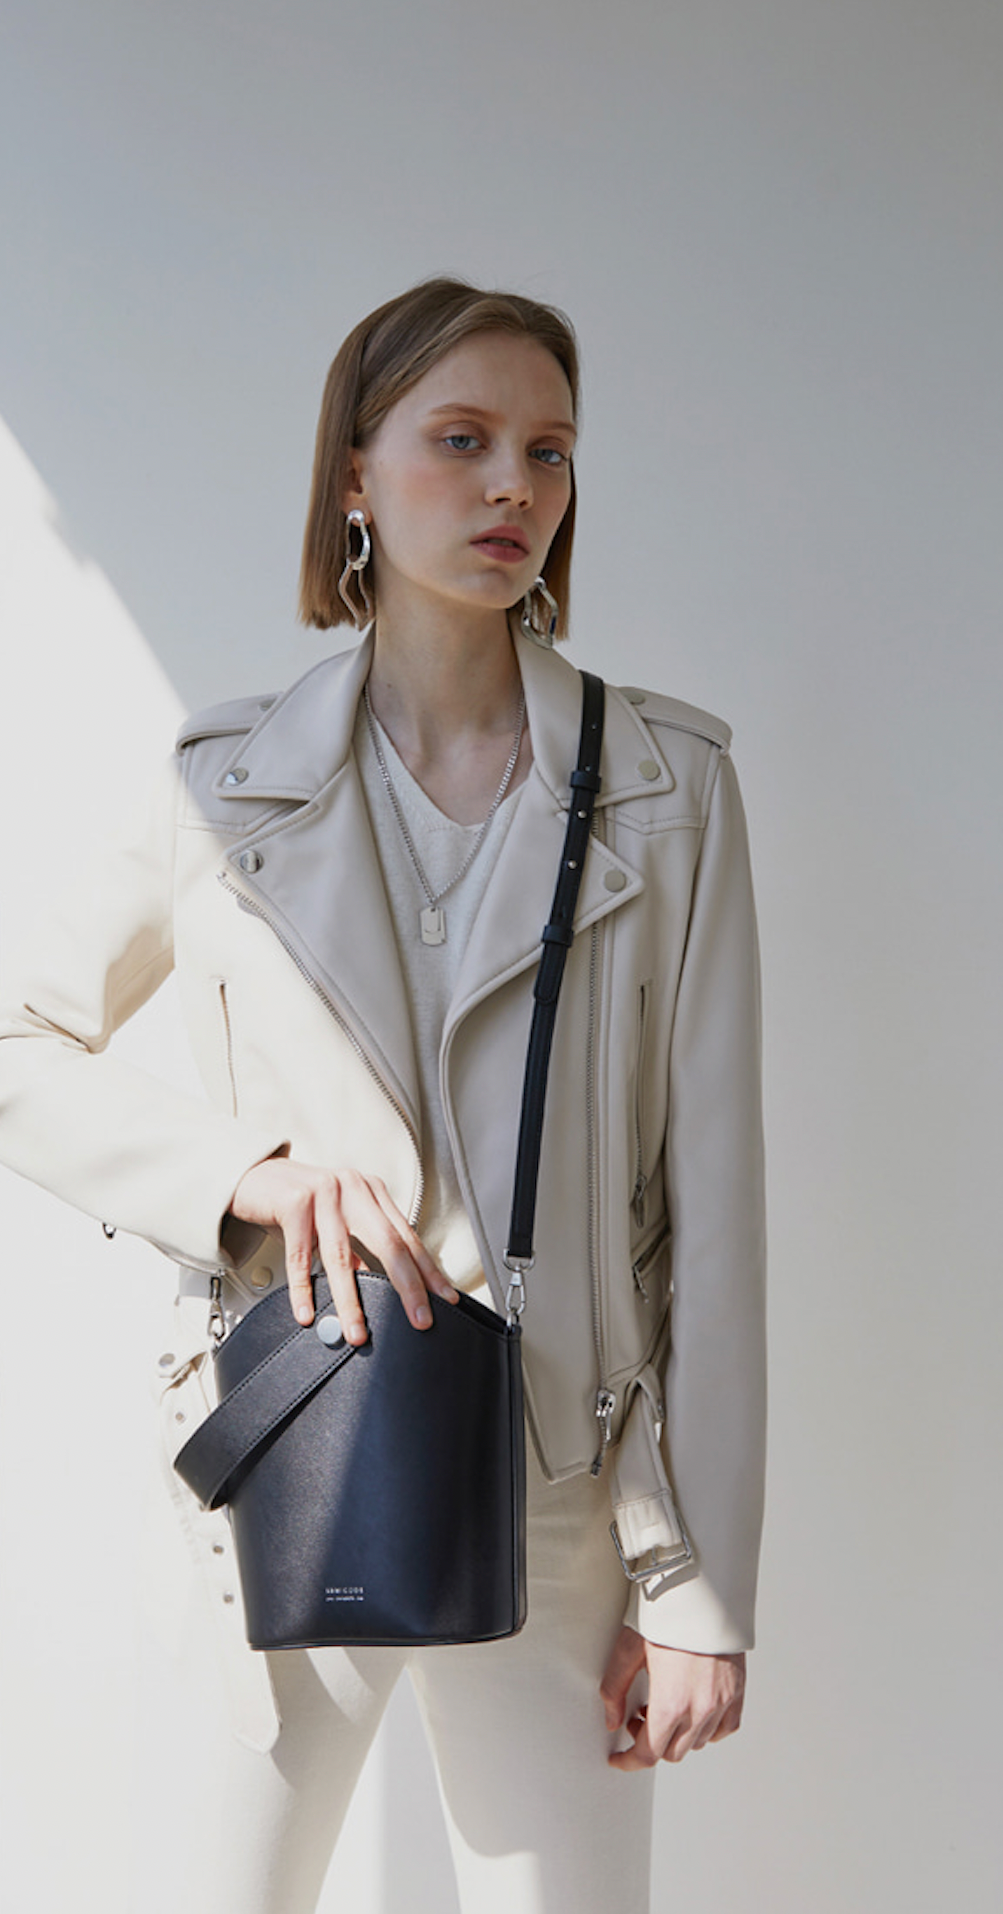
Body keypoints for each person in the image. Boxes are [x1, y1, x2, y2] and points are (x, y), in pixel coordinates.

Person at [0, 277, 766, 1913]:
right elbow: (17, 1039)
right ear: (355, 471)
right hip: (288, 1452)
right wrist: (241, 1172)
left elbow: (717, 1219)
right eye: (461, 439)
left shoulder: (671, 789)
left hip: (567, 1493)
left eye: (549, 451)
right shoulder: (222, 788)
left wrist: (700, 1588)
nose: (513, 487)